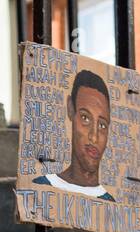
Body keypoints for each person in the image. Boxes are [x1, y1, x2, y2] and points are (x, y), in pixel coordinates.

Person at [33, 68, 116, 201]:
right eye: (85, 118)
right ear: (71, 109)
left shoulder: (110, 203)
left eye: (102, 125)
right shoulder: (42, 186)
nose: (94, 137)